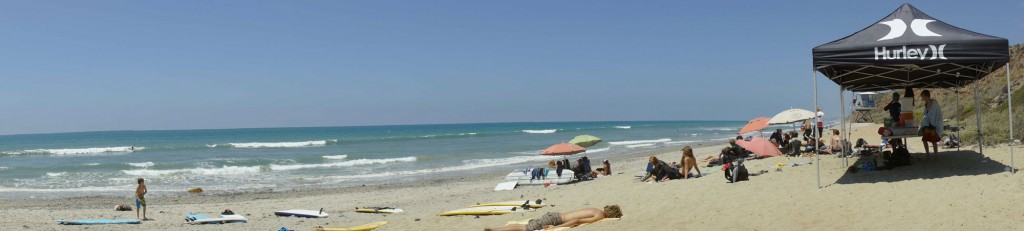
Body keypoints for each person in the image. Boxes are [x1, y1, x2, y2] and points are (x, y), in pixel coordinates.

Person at [484, 205, 623, 231]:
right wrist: (555, 228)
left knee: (526, 226)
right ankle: (494, 229)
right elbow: (577, 221)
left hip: (555, 215)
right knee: (524, 228)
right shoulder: (599, 216)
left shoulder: (596, 209)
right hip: (555, 220)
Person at [919, 90, 944, 160]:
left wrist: (934, 124)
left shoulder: (934, 103)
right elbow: (926, 114)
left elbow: (937, 115)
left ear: (926, 96)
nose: (922, 98)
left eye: (922, 96)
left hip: (934, 125)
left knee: (934, 141)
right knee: (924, 140)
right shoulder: (926, 104)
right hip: (927, 125)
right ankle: (927, 155)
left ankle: (935, 156)